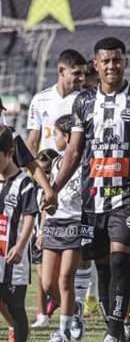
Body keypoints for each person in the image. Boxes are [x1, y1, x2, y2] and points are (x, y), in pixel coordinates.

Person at [51, 37, 130, 342]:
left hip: (128, 197)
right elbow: (74, 153)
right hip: (92, 200)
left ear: (125, 62)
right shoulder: (84, 102)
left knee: (120, 261)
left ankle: (114, 332)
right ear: (96, 65)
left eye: (117, 60)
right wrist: (53, 189)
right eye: (106, 61)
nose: (112, 65)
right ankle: (120, 327)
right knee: (102, 268)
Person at [40, 115, 84, 342]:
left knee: (65, 279)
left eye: (56, 134)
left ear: (68, 137)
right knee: (48, 283)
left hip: (75, 224)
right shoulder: (55, 164)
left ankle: (64, 332)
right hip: (53, 225)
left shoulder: (83, 164)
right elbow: (46, 200)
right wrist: (41, 229)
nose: (53, 138)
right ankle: (74, 307)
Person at [0, 126, 39, 342]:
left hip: (15, 256)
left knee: (15, 307)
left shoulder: (24, 183)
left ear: (9, 152)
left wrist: (21, 245)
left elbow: (29, 217)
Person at [26, 49, 86, 153]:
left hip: (76, 168)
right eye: (77, 73)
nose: (82, 78)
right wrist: (34, 169)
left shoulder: (86, 100)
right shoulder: (40, 99)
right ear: (61, 70)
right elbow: (32, 142)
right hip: (47, 167)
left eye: (84, 73)